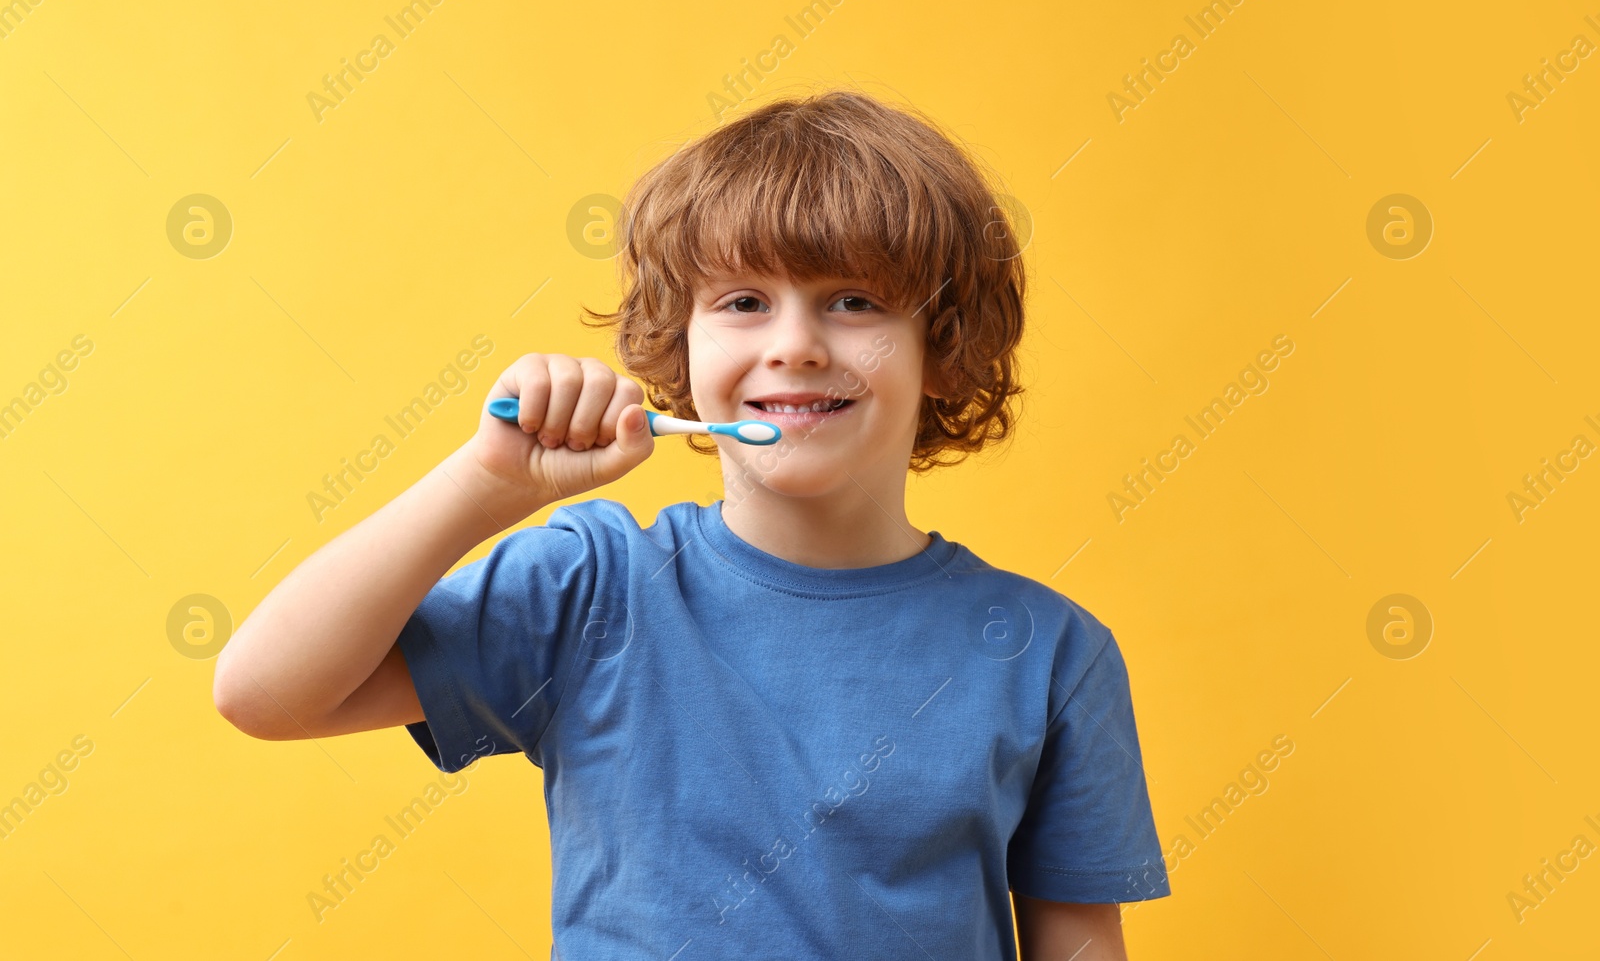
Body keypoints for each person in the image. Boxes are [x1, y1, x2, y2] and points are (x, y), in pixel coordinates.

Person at [213, 89, 1170, 959]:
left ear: (945, 348)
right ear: (682, 343)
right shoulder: (591, 585)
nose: (794, 344)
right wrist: (486, 482)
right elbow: (265, 691)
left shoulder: (1050, 653)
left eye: (854, 301)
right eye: (745, 302)